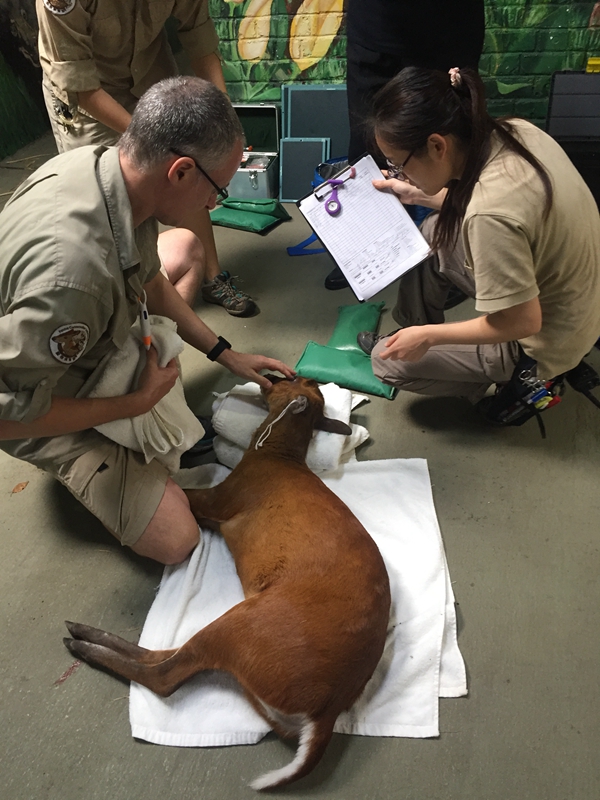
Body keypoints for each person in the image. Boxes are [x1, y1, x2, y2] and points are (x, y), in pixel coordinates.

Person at [0, 77, 295, 565]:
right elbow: (8, 415)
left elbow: (149, 277)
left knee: (185, 248)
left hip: (58, 319)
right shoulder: (74, 279)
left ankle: (125, 398)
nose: (214, 205)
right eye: (217, 190)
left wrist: (225, 353)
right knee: (177, 539)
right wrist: (135, 402)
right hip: (28, 396)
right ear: (181, 172)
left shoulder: (106, 166)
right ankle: (85, 444)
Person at [357, 66, 600, 410]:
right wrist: (416, 194)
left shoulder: (489, 215)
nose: (400, 174)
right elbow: (495, 207)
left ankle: (509, 386)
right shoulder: (515, 131)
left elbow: (523, 321)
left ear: (437, 145)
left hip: (544, 340)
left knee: (385, 361)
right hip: (579, 301)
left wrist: (429, 336)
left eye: (400, 165)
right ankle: (410, 332)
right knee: (433, 232)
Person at [36, 0, 257, 316]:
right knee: (107, 197)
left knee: (192, 170)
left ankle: (212, 276)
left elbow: (199, 37)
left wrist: (223, 118)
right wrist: (155, 141)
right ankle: (119, 302)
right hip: (88, 96)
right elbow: (79, 85)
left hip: (152, 74)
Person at [325, 0, 485, 290]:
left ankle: (455, 254)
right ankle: (371, 252)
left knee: (453, 142)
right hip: (375, 25)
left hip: (448, 27)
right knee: (367, 140)